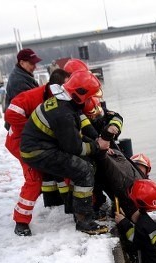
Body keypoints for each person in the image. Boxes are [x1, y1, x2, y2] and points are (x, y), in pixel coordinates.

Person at [19, 70, 111, 235]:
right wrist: (99, 146)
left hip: (44, 145)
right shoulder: (63, 114)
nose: (91, 101)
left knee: (84, 165)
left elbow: (78, 131)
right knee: (84, 170)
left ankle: (77, 210)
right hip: (38, 152)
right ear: (80, 95)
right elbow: (76, 148)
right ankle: (84, 220)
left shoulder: (66, 101)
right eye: (89, 97)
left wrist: (95, 141)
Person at [3, 68, 70, 236]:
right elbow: (10, 114)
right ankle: (21, 221)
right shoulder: (33, 96)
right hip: (20, 143)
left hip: (37, 142)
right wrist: (31, 129)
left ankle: (60, 202)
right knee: (34, 179)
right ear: (56, 87)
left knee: (58, 167)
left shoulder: (60, 98)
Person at [4, 48, 43, 124]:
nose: (35, 66)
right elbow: (29, 107)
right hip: (21, 124)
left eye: (35, 63)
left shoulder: (25, 76)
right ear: (22, 63)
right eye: (32, 63)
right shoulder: (18, 81)